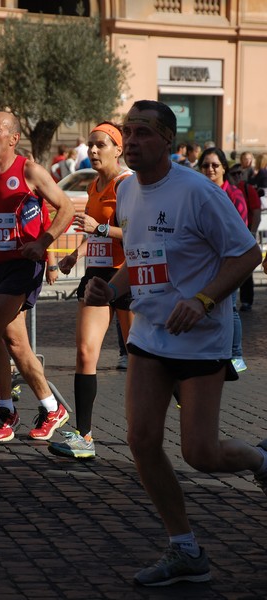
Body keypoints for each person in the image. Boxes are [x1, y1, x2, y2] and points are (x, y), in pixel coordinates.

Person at [84, 100, 266, 587]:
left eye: (142, 133)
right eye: (128, 132)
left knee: (200, 453)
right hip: (148, 336)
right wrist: (113, 288)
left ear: (167, 139)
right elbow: (143, 262)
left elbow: (248, 254)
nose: (134, 141)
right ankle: (184, 548)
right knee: (141, 441)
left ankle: (261, 460)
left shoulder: (197, 192)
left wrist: (204, 300)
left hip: (200, 342)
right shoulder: (128, 195)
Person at [0, 110, 74, 443]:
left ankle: (6, 409)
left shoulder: (30, 171)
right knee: (17, 345)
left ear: (13, 138)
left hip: (24, 265)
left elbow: (67, 208)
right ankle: (52, 409)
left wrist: (44, 242)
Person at [48, 121, 133, 460]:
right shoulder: (96, 186)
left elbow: (136, 235)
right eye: (91, 144)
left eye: (101, 144)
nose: (94, 150)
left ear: (118, 149)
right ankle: (84, 436)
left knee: (144, 358)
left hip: (126, 276)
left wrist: (99, 227)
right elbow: (94, 233)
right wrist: (74, 254)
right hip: (97, 275)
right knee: (85, 353)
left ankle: (180, 395)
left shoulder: (128, 186)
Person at [198, 146, 248, 372]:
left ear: (224, 168)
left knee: (230, 307)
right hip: (205, 264)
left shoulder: (234, 195)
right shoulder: (198, 193)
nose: (210, 169)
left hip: (229, 261)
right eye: (205, 165)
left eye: (215, 165)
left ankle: (236, 355)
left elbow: (241, 232)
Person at [229, 164, 262, 312]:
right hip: (228, 235)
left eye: (239, 173)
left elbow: (256, 213)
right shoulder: (223, 190)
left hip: (246, 233)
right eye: (233, 173)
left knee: (246, 269)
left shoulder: (248, 190)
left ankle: (246, 300)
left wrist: (253, 233)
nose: (237, 176)